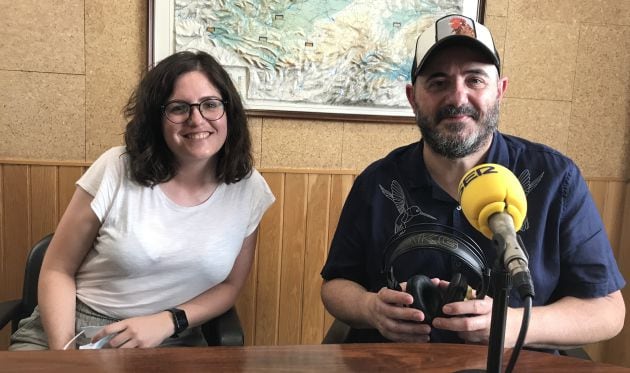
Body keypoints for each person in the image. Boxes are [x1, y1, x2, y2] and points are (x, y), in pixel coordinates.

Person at [320, 14, 625, 350]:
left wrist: (513, 325)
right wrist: (368, 308)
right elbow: (336, 284)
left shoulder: (556, 180)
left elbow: (608, 310)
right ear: (412, 97)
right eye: (438, 82)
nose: (457, 98)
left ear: (500, 90)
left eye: (475, 79)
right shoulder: (376, 183)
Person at [10, 50, 275, 350]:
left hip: (174, 338)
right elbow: (57, 269)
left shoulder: (249, 187)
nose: (196, 119)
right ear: (156, 118)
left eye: (210, 104)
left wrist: (167, 321)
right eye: (178, 108)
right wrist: (66, 356)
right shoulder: (115, 167)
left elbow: (229, 286)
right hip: (74, 330)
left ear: (229, 112)